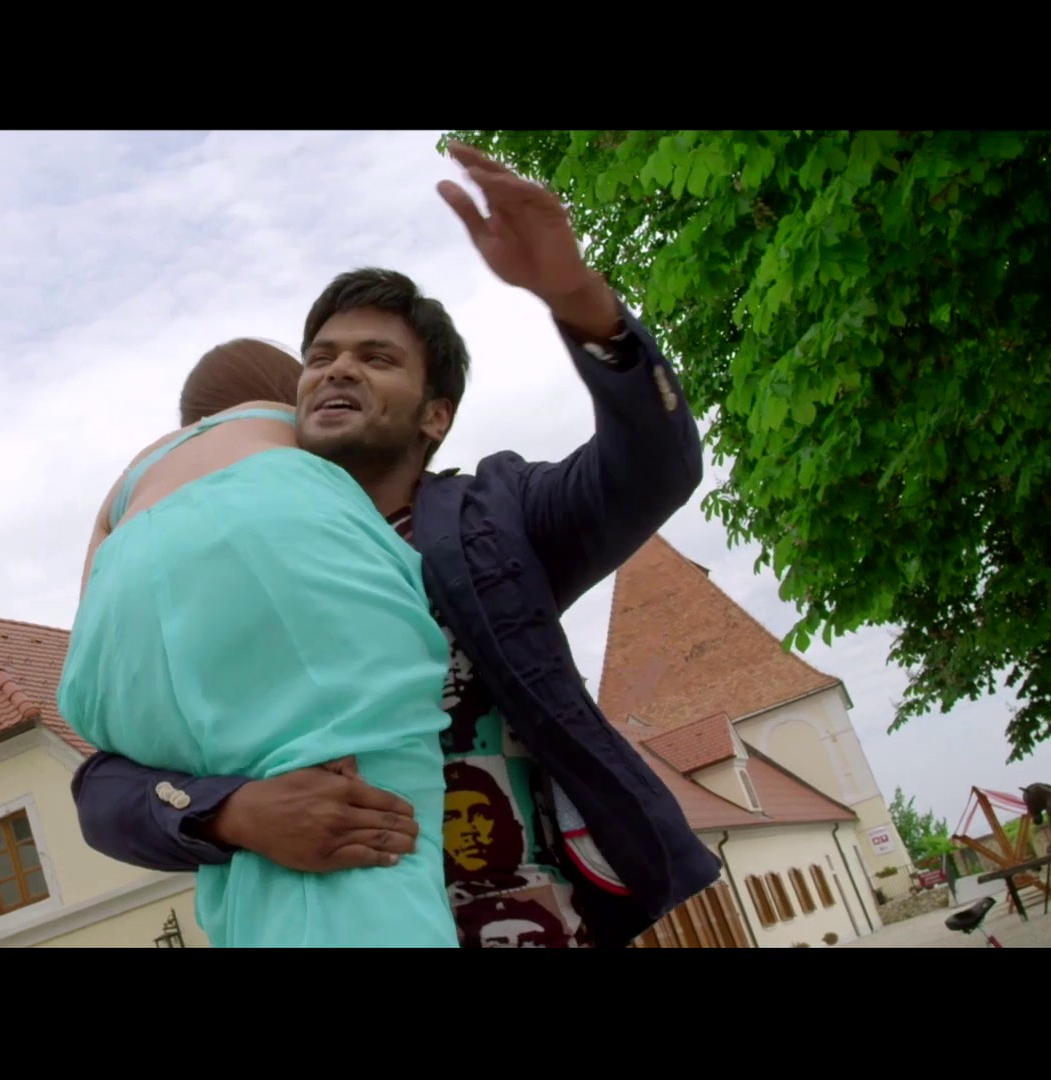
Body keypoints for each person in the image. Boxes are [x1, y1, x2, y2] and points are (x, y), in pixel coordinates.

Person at [71, 143, 724, 948]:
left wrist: (577, 298)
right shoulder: (222, 573)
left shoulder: (499, 516)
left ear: (434, 414)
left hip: (538, 924)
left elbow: (653, 466)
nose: (336, 370)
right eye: (320, 358)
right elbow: (103, 788)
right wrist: (232, 812)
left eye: (376, 358)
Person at [56, 338, 458, 947]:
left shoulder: (144, 470)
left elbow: (96, 616)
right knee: (377, 810)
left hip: (116, 641)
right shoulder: (292, 445)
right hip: (272, 559)